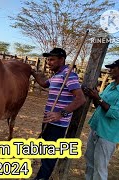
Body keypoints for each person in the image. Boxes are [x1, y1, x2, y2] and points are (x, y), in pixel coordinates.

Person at [31, 48, 86, 180]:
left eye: (52, 59)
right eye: (48, 59)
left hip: (58, 124)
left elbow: (81, 98)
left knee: (50, 157)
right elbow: (45, 83)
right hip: (48, 120)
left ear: (61, 60)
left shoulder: (69, 75)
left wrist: (61, 114)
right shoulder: (56, 75)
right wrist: (32, 72)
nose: (49, 62)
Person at [83, 59, 119, 180]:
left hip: (108, 134)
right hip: (97, 127)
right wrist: (95, 96)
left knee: (100, 167)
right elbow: (99, 105)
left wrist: (99, 99)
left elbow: (116, 113)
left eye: (113, 68)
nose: (110, 70)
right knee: (90, 161)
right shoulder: (111, 86)